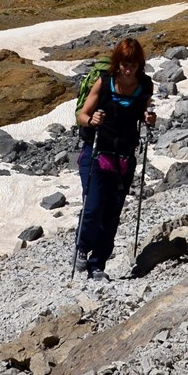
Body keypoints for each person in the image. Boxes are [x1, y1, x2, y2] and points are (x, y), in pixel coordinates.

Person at [73, 38, 158, 281]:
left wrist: (148, 118)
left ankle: (97, 264)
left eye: (132, 64)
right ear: (117, 63)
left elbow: (143, 111)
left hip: (123, 156)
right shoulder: (105, 81)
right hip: (96, 151)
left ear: (139, 64)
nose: (127, 68)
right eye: (124, 63)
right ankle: (81, 247)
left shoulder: (144, 86)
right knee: (93, 207)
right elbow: (82, 114)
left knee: (112, 212)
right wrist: (92, 121)